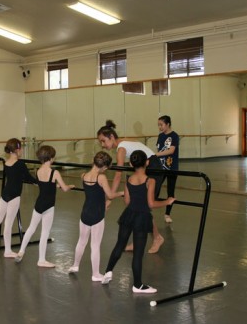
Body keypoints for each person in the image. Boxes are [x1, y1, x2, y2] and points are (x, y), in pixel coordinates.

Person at [101, 150, 176, 293]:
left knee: (119, 245)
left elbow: (127, 201)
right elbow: (151, 204)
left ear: (131, 163)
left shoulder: (129, 179)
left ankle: (108, 272)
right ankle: (137, 285)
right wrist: (167, 201)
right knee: (138, 253)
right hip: (142, 218)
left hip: (128, 215)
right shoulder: (150, 181)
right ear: (147, 162)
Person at [97, 119, 164, 253]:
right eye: (100, 142)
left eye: (103, 141)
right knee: (135, 205)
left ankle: (157, 238)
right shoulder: (123, 141)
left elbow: (118, 175)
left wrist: (109, 199)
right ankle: (138, 240)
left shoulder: (121, 149)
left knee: (143, 207)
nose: (102, 145)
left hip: (153, 169)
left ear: (111, 137)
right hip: (146, 168)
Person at [68, 151, 124, 282]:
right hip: (97, 215)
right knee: (95, 245)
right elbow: (110, 195)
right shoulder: (101, 177)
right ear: (104, 167)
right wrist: (122, 192)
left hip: (85, 213)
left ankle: (75, 265)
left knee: (81, 241)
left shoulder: (83, 175)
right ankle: (95, 274)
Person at [15, 145, 74, 267]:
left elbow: (44, 185)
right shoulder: (55, 172)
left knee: (31, 228)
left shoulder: (38, 171)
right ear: (51, 158)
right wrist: (70, 186)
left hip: (39, 204)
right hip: (49, 206)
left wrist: (55, 186)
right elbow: (65, 188)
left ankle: (21, 251)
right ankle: (41, 260)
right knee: (45, 232)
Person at [0, 138, 38, 258]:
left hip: (5, 195)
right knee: (8, 223)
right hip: (14, 196)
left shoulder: (6, 163)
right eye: (21, 148)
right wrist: (40, 182)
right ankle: (7, 251)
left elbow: (16, 177)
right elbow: (28, 178)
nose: (22, 150)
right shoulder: (20, 164)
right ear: (17, 150)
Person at [155, 115, 180, 223]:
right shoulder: (160, 136)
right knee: (156, 187)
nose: (160, 127)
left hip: (172, 168)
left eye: (161, 125)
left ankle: (167, 214)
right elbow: (159, 149)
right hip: (161, 168)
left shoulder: (174, 136)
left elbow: (171, 151)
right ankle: (149, 207)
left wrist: (157, 154)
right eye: (158, 125)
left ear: (168, 124)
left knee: (170, 191)